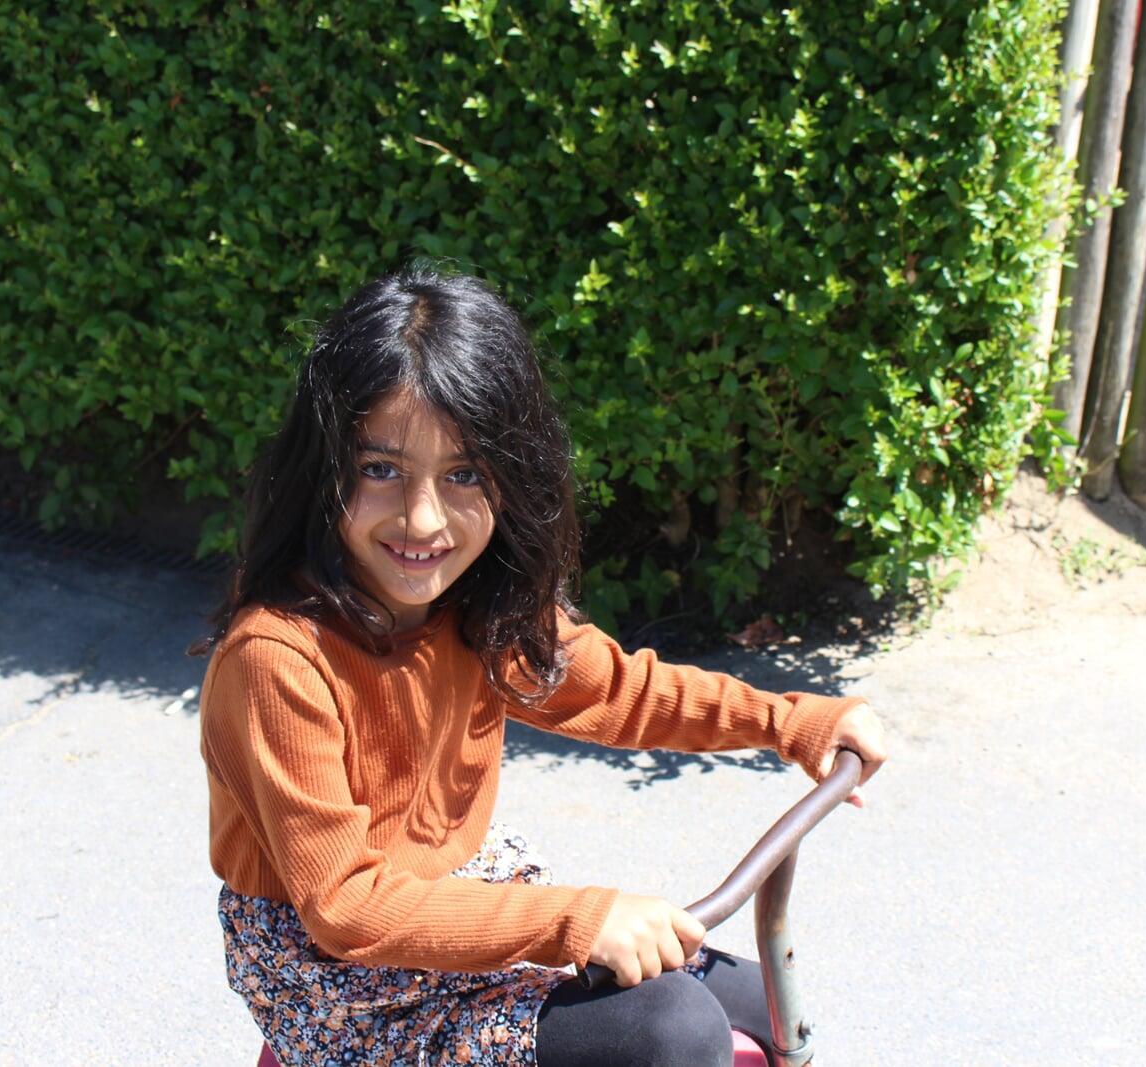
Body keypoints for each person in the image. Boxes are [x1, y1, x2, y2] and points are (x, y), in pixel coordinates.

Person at [193, 265, 888, 1066]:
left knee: (755, 997)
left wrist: (795, 721)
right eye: (381, 469)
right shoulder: (279, 659)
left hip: (462, 893)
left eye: (463, 475)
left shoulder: (477, 606)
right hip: (340, 977)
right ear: (325, 469)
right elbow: (345, 903)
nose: (422, 518)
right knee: (675, 1031)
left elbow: (621, 691)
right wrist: (576, 919)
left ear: (508, 477)